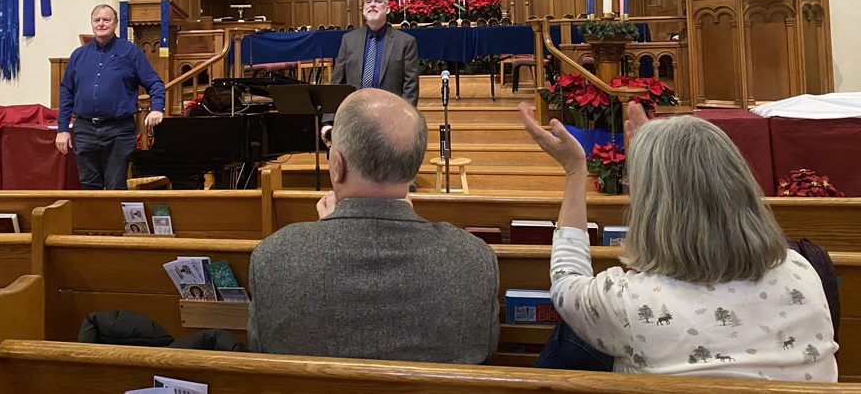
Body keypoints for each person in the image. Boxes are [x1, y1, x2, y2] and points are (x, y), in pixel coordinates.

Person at [521, 100, 838, 381]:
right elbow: (732, 213)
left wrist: (575, 171)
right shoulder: (802, 271)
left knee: (574, 336)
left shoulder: (628, 302)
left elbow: (566, 281)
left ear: (651, 212)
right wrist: (661, 156)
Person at [248, 88, 499, 363]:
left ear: (337, 166)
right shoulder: (473, 259)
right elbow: (484, 351)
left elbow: (260, 351)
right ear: (413, 168)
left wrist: (324, 235)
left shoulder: (273, 257)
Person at [55, 4, 166, 190]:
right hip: (85, 129)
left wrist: (156, 108)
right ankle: (96, 220)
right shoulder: (78, 55)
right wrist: (62, 129)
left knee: (115, 185)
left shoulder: (131, 52)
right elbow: (66, 92)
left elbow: (154, 83)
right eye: (97, 20)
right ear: (91, 23)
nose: (101, 24)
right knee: (89, 186)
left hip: (118, 130)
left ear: (115, 24)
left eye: (106, 20)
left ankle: (116, 220)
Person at [321, 0, 418, 141]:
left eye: (378, 1)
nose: (372, 5)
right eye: (368, 2)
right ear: (363, 9)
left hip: (390, 119)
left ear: (387, 9)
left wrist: (406, 120)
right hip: (354, 116)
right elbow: (337, 82)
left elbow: (410, 87)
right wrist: (328, 120)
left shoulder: (405, 42)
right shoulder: (348, 40)